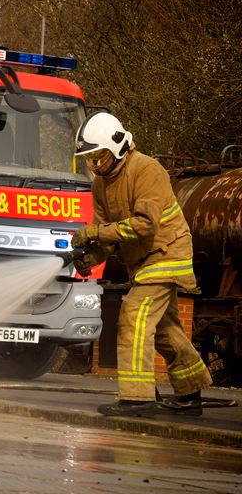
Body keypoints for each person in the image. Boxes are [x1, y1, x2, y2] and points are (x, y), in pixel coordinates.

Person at [71, 112, 212, 417]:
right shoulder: (100, 186)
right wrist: (89, 258)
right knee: (165, 329)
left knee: (134, 318)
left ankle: (137, 399)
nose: (95, 165)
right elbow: (110, 237)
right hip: (143, 263)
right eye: (90, 159)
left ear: (119, 145)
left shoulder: (147, 169)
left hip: (167, 254)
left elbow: (145, 225)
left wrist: (94, 232)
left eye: (100, 157)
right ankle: (190, 394)